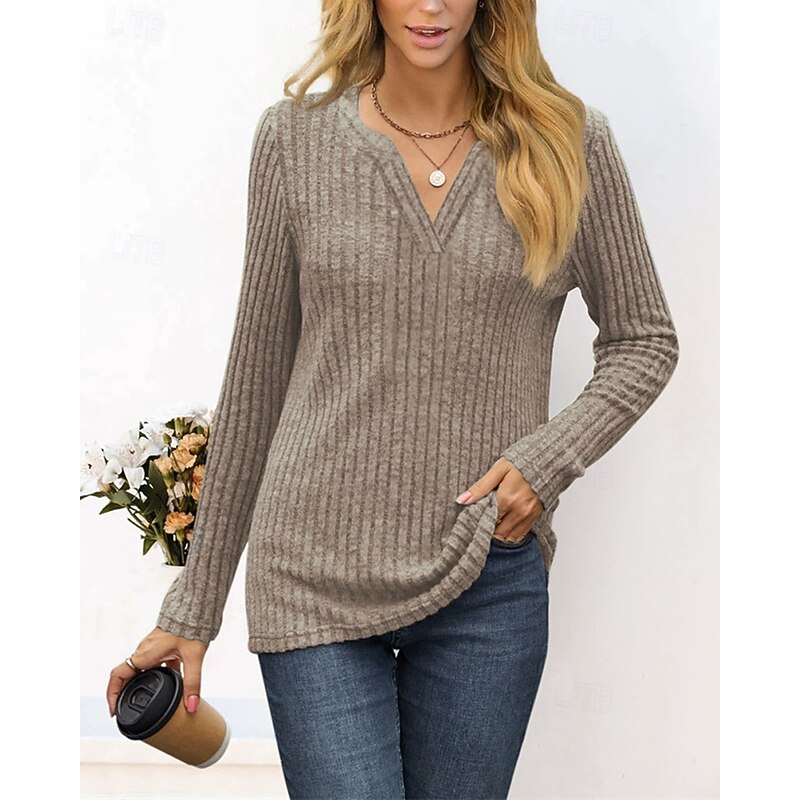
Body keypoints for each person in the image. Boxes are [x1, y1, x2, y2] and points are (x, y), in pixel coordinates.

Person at [107, 1, 680, 797]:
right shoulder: (295, 140)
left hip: (487, 576)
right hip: (311, 571)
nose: (431, 5)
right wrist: (193, 608)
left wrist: (545, 461)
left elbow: (645, 339)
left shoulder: (567, 143)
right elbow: (255, 380)